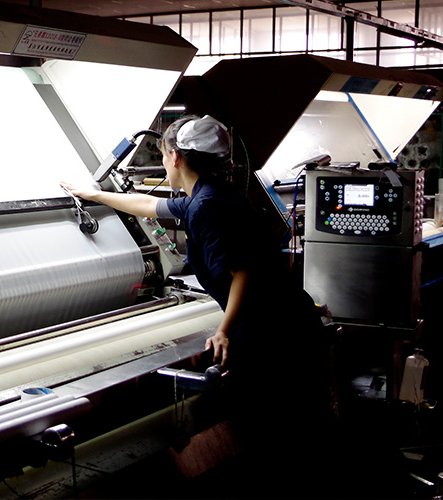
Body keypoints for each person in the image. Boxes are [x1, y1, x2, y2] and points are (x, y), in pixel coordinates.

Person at [62, 114, 337, 497]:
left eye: (162, 155)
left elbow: (243, 273)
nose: (163, 162)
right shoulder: (210, 195)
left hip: (276, 338)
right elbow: (149, 204)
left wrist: (223, 331)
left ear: (175, 157)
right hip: (291, 324)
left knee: (285, 436)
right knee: (303, 430)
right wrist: (96, 196)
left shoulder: (207, 207)